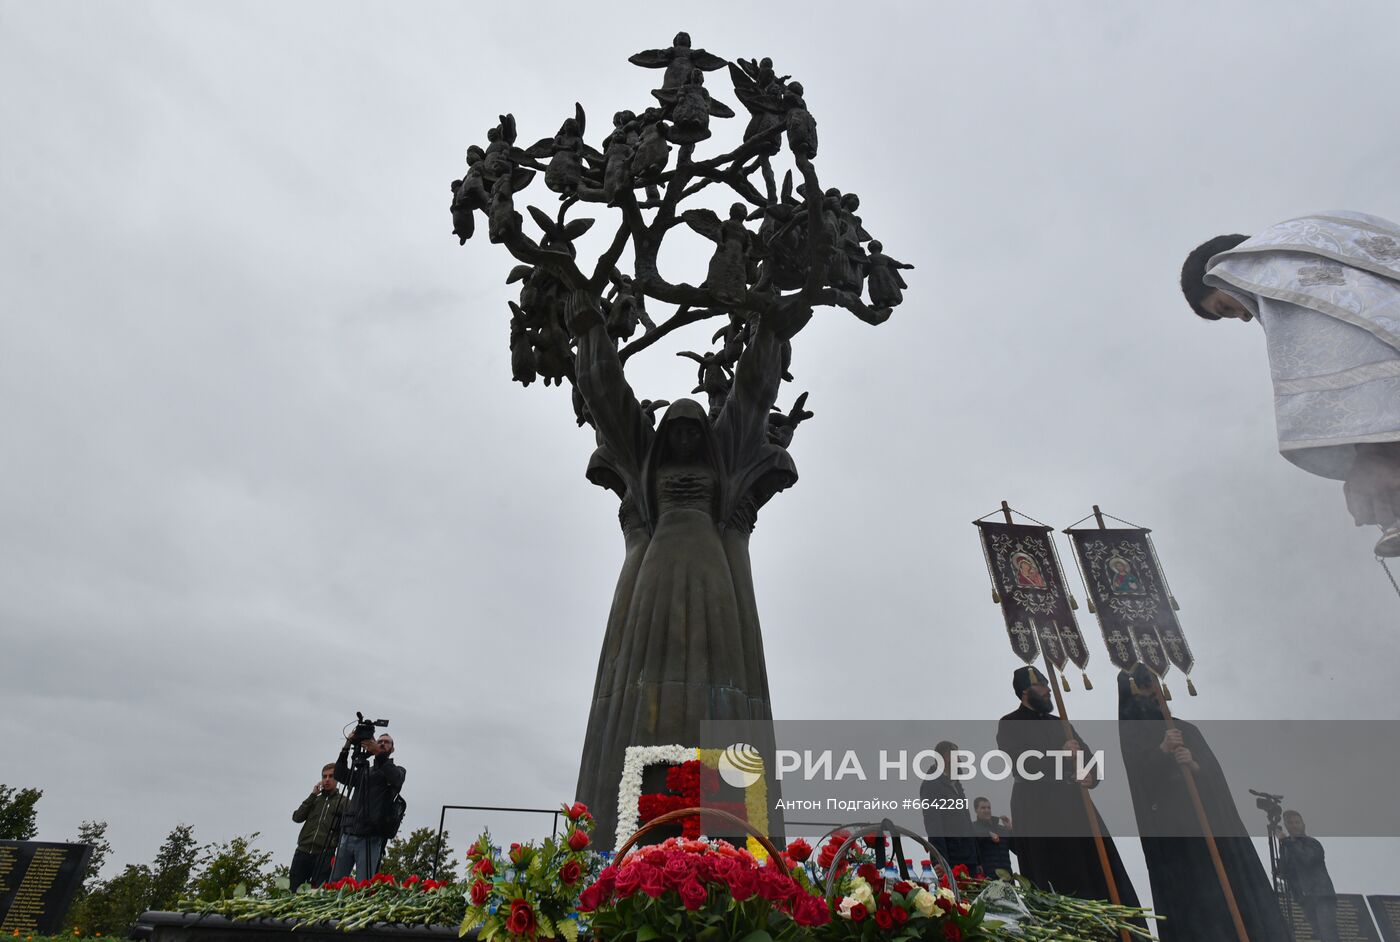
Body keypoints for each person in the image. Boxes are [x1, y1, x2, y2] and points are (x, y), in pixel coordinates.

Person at [1180, 212, 1400, 556]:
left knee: (1377, 453)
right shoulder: (1307, 253)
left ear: (1226, 272)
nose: (1244, 316)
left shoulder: (1286, 262)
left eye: (1225, 305)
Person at [1117, 666, 1289, 941]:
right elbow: (1141, 779)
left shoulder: (1185, 729)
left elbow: (1214, 776)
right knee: (1198, 906)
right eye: (1146, 687)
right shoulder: (1133, 736)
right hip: (1177, 841)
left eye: (1154, 685)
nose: (1155, 692)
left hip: (1212, 829)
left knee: (1233, 893)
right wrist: (1163, 750)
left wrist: (1195, 765)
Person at [995, 666, 1144, 921]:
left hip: (1076, 806)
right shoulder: (1010, 723)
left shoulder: (1060, 723)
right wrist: (1060, 754)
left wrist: (1091, 775)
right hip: (1038, 810)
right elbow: (1022, 764)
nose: (1048, 689)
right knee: (1055, 876)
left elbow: (1087, 756)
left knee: (1098, 871)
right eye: (1042, 685)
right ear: (1025, 691)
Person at [330, 732, 406, 881]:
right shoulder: (365, 771)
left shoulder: (398, 770)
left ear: (393, 749)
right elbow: (340, 775)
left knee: (363, 885)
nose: (382, 744)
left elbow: (395, 778)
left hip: (370, 837)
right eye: (380, 741)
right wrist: (347, 746)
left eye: (387, 742)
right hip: (348, 833)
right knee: (335, 883)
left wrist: (377, 752)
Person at [919, 740, 980, 873]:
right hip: (951, 859)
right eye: (957, 756)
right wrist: (939, 860)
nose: (960, 761)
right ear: (947, 757)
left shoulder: (956, 784)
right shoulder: (931, 785)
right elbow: (933, 824)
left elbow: (967, 821)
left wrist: (978, 859)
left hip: (969, 858)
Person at [1279, 809, 1339, 942]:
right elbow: (1286, 873)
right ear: (1286, 825)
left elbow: (1307, 859)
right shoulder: (1287, 846)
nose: (1294, 825)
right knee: (1320, 934)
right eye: (1290, 822)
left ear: (1302, 824)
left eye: (1297, 822)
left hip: (1321, 895)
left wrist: (1287, 842)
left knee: (1328, 934)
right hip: (1305, 898)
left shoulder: (1311, 843)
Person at [290, 763, 346, 891]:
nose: (327, 779)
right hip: (303, 852)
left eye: (331, 776)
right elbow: (297, 817)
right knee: (294, 890)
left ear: (337, 778)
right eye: (324, 776)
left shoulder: (343, 802)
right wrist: (312, 795)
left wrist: (334, 843)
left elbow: (346, 829)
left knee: (318, 892)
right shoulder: (315, 799)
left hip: (324, 854)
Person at [971, 796, 1014, 877]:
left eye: (989, 807)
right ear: (976, 810)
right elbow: (971, 849)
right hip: (988, 878)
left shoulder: (1002, 829)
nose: (987, 810)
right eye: (983, 808)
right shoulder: (973, 828)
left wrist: (1010, 830)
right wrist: (988, 834)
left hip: (1008, 877)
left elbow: (1016, 849)